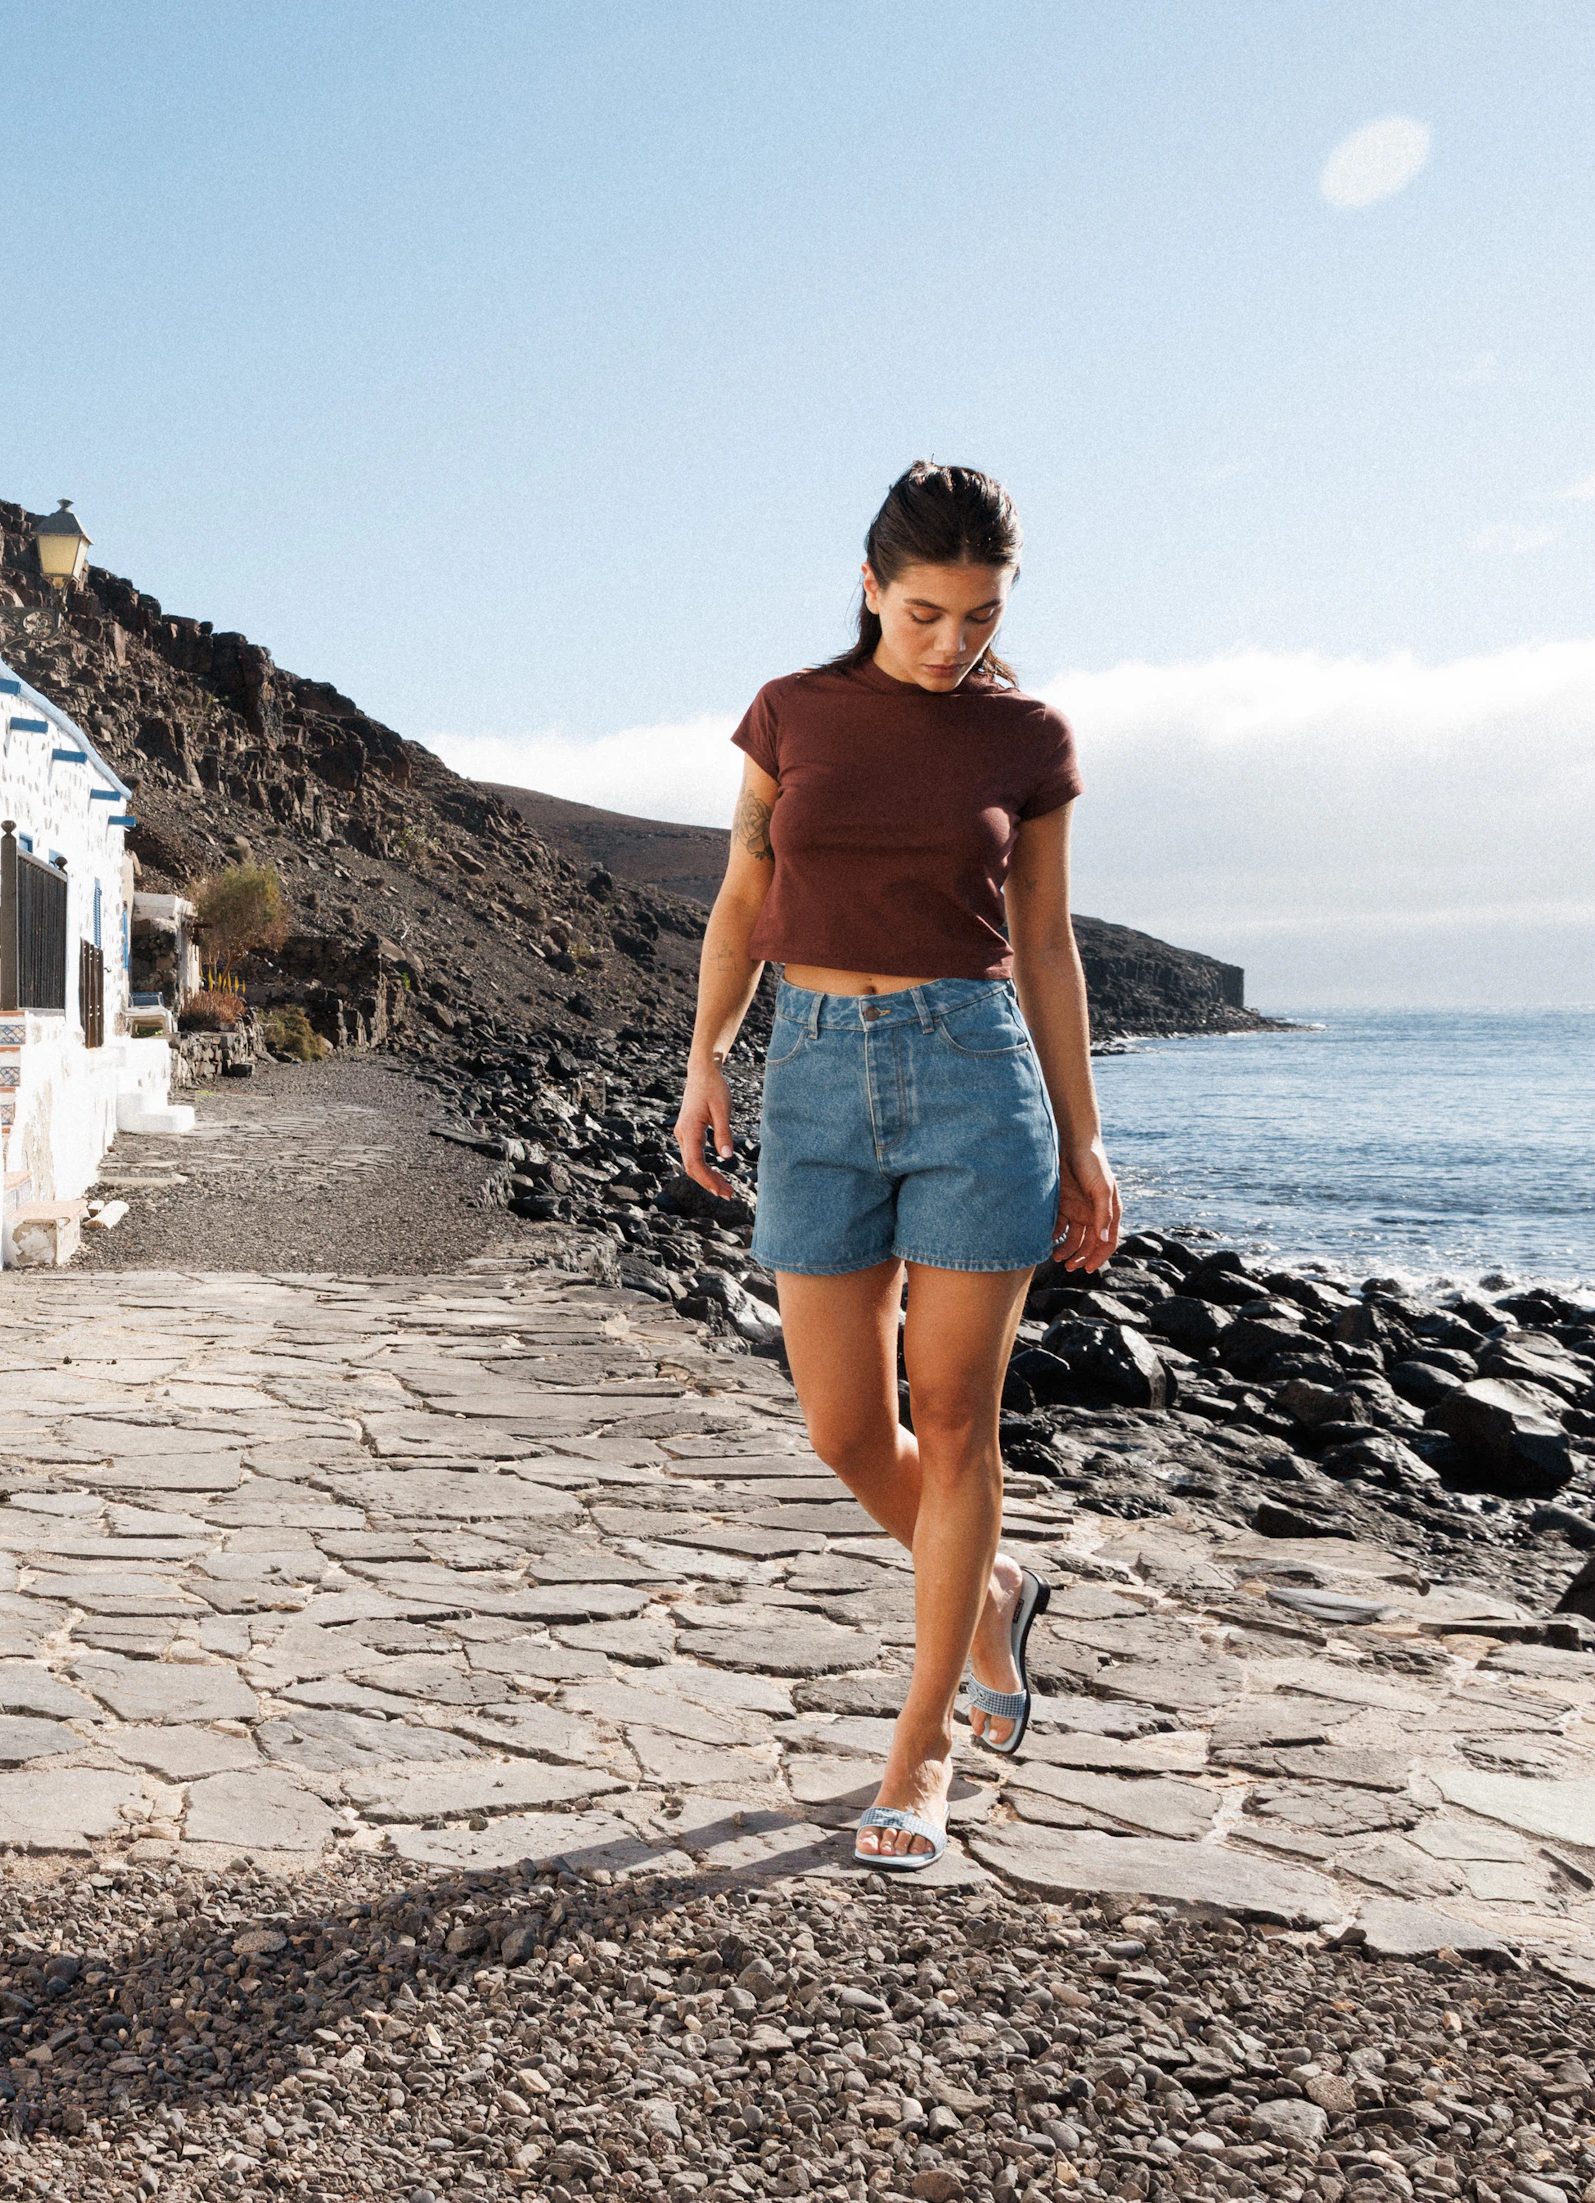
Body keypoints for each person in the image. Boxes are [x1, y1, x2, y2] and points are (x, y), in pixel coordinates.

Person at [675, 461, 1120, 1871]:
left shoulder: (1027, 738)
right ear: (870, 587)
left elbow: (1045, 942)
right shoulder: (788, 714)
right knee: (846, 1430)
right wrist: (706, 1056)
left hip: (973, 1076)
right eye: (926, 612)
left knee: (962, 1422)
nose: (951, 642)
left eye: (980, 616)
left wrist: (1084, 1137)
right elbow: (744, 893)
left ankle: (923, 1748)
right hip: (810, 1071)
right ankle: (989, 1592)